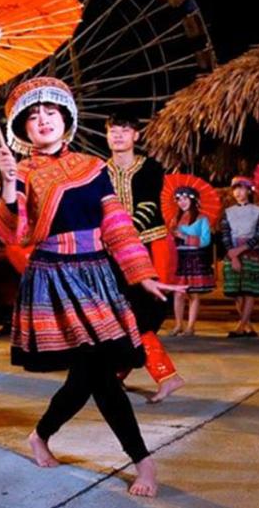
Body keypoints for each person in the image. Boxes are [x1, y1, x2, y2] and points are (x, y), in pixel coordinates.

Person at [0, 77, 183, 497]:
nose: (43, 120)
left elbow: (116, 226)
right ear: (22, 128)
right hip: (54, 278)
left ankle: (40, 434)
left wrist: (144, 274)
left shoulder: (93, 167)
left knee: (87, 375)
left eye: (51, 112)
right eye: (33, 116)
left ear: (66, 119)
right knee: (99, 374)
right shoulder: (21, 170)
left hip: (97, 276)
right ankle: (143, 461)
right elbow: (14, 232)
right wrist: (8, 185)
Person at [105, 116, 184, 403]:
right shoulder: (100, 171)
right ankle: (117, 374)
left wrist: (124, 234)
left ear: (136, 136)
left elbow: (149, 205)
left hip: (149, 247)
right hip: (112, 250)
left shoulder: (150, 168)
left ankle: (164, 376)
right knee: (117, 313)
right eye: (113, 131)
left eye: (124, 130)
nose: (118, 136)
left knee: (139, 313)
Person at [220, 176, 259, 337]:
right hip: (233, 253)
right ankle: (248, 326)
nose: (238, 192)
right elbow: (225, 234)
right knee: (236, 291)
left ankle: (241, 327)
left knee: (249, 291)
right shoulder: (228, 212)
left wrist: (239, 250)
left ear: (248, 190)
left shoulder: (258, 211)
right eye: (235, 189)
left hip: (250, 253)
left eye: (242, 189)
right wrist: (232, 255)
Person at [170, 186, 215, 336]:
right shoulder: (175, 219)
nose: (182, 202)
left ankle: (190, 327)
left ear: (192, 199)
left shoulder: (202, 218)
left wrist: (185, 238)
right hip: (180, 259)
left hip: (195, 257)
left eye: (185, 198)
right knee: (178, 293)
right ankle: (178, 324)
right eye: (179, 199)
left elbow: (205, 240)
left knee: (193, 294)